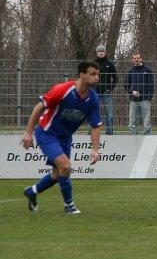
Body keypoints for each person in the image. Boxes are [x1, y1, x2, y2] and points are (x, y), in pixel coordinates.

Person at [21, 61, 102, 214]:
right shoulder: (63, 90)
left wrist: (95, 150)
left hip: (65, 137)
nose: (97, 78)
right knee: (65, 166)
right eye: (93, 74)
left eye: (98, 74)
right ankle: (69, 205)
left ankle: (32, 191)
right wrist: (28, 132)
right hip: (47, 133)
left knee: (58, 174)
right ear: (82, 75)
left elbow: (95, 125)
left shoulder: (93, 99)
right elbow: (39, 106)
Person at [125, 52, 154, 134]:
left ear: (141, 59)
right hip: (133, 101)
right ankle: (134, 139)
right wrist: (132, 92)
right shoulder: (130, 72)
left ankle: (147, 139)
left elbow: (151, 86)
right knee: (132, 122)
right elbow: (126, 86)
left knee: (146, 123)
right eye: (135, 58)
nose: (136, 59)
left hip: (145, 100)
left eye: (138, 58)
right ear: (132, 60)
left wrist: (149, 98)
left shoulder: (147, 71)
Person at [93, 45, 117, 135]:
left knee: (109, 113)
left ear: (105, 52)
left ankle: (109, 132)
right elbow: (88, 77)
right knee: (94, 113)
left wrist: (110, 88)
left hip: (107, 92)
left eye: (102, 51)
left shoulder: (110, 64)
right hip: (95, 92)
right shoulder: (92, 64)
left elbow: (115, 78)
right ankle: (93, 133)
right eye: (99, 51)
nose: (101, 53)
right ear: (97, 53)